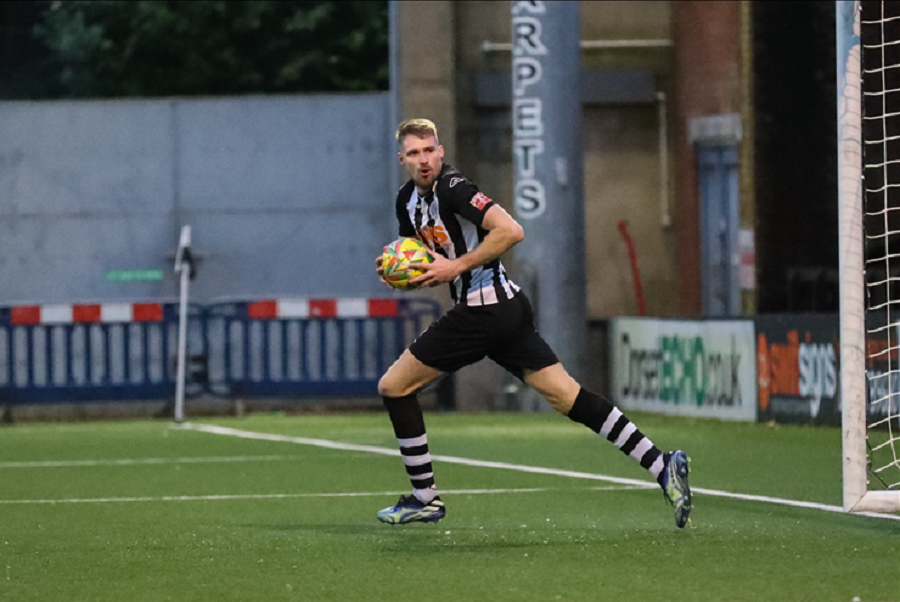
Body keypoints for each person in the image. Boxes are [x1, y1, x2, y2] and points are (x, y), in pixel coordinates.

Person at [374, 118, 692, 528]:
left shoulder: (454, 189)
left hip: (483, 310)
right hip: (503, 309)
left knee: (394, 387)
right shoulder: (407, 203)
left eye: (429, 150)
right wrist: (400, 275)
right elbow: (417, 256)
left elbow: (511, 230)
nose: (423, 160)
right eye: (413, 153)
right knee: (567, 397)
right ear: (402, 158)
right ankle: (662, 465)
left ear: (441, 152)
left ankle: (425, 499)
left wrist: (457, 267)